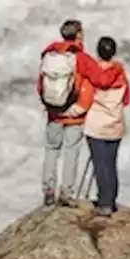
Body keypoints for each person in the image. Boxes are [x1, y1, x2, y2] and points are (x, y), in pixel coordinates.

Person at [37, 19, 95, 206]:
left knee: (51, 152)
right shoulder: (81, 58)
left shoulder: (49, 55)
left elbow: (40, 85)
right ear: (78, 34)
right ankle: (66, 193)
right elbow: (99, 78)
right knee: (71, 153)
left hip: (54, 113)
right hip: (75, 116)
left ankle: (48, 191)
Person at [82, 35, 130, 217]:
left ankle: (103, 202)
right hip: (115, 125)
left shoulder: (92, 74)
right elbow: (126, 99)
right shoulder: (120, 74)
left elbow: (85, 97)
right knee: (110, 164)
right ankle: (111, 199)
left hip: (95, 125)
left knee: (99, 165)